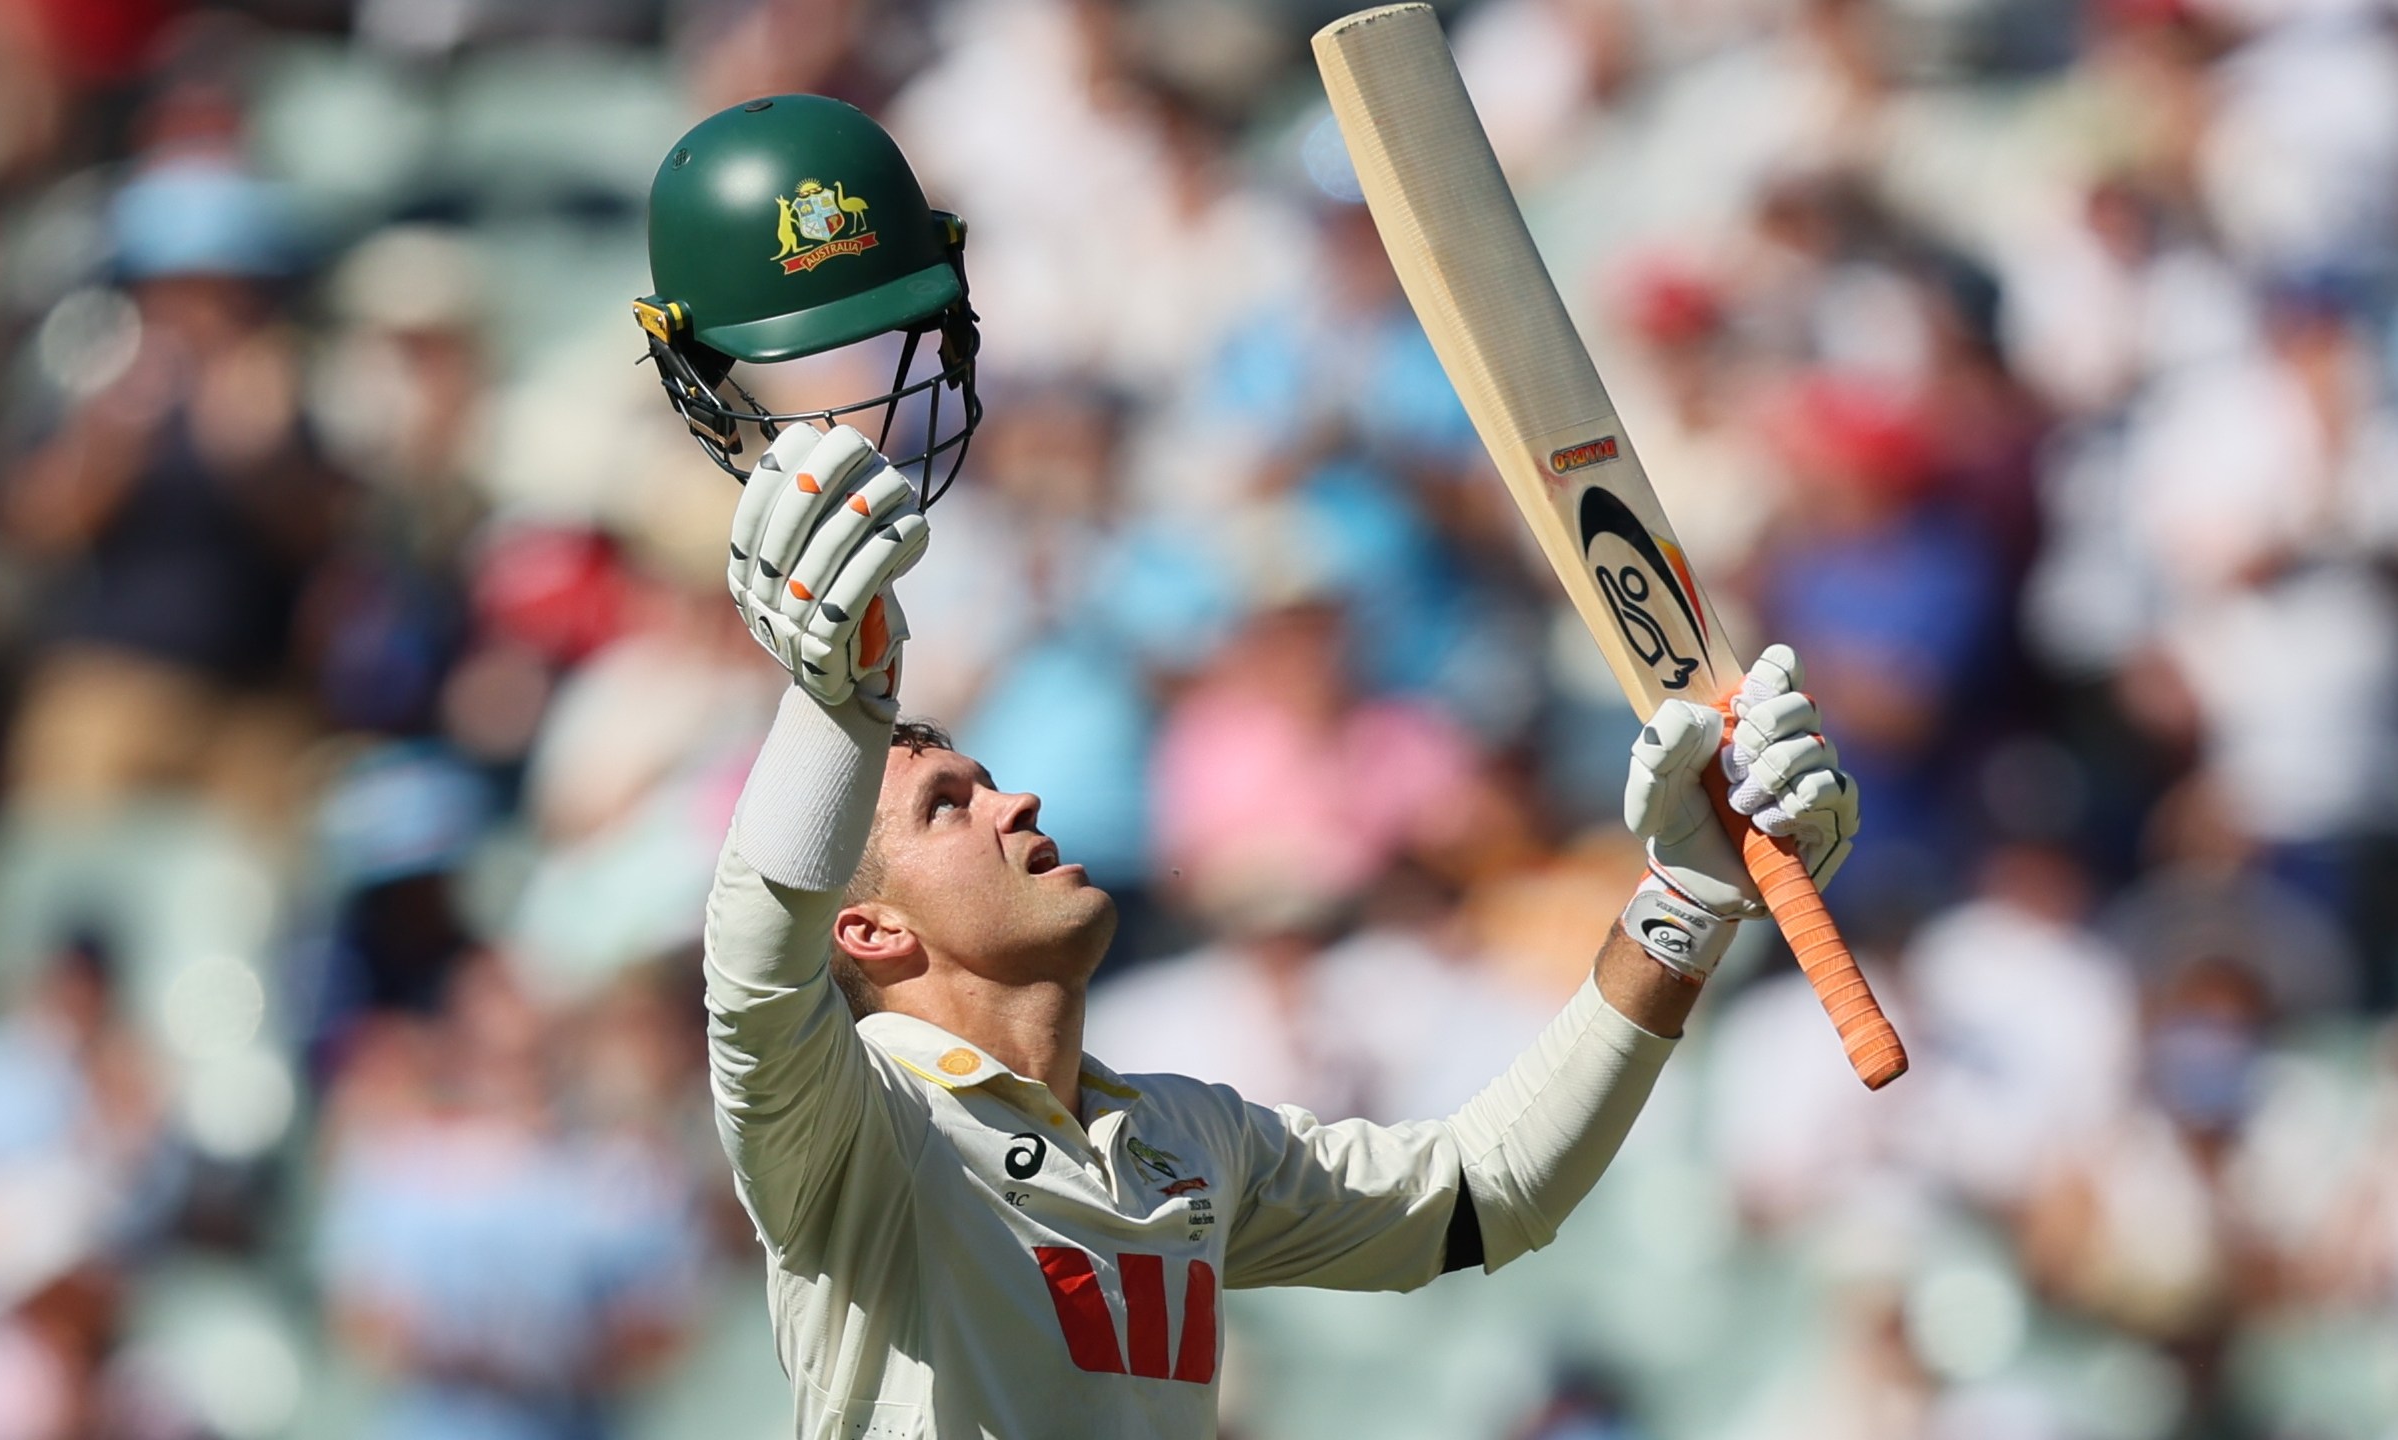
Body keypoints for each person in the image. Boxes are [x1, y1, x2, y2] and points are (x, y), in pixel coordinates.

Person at [639, 96, 1861, 1440]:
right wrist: (832, 704)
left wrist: (1682, 905)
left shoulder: (1185, 1142)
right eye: (950, 804)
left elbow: (1480, 1193)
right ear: (862, 927)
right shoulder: (850, 1130)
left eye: (981, 778)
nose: (1017, 798)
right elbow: (756, 962)